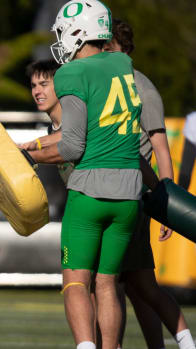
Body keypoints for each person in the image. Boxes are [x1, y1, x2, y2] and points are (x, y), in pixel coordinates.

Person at [28, 1, 141, 348]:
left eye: (63, 31)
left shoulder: (71, 73)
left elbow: (73, 145)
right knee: (107, 283)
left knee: (76, 283)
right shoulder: (123, 63)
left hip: (90, 190)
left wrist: (32, 158)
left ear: (79, 32)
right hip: (129, 193)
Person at [104, 18, 195, 349]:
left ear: (125, 50)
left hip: (131, 195)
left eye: (109, 48)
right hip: (112, 192)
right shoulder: (105, 84)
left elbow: (160, 146)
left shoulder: (141, 87)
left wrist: (166, 205)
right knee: (137, 285)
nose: (103, 55)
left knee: (114, 283)